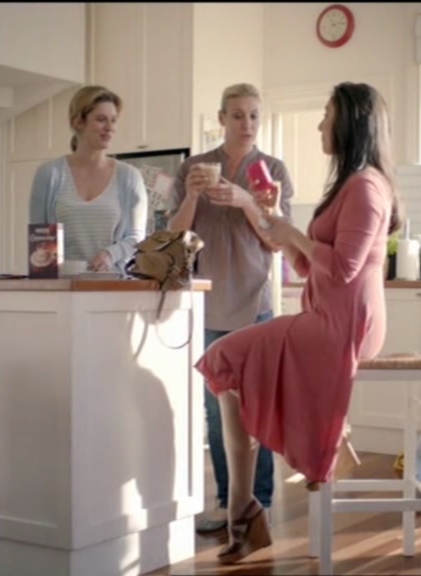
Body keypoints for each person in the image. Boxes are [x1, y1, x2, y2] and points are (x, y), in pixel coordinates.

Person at [194, 81, 402, 565]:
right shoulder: (351, 184)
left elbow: (344, 268)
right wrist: (275, 224)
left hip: (344, 324)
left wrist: (290, 231)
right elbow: (310, 267)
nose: (320, 124)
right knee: (229, 369)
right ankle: (247, 503)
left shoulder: (366, 187)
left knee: (224, 357)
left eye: (327, 115)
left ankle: (253, 502)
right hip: (327, 315)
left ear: (349, 123)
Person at [167, 83, 295, 534]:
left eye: (254, 115)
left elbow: (277, 240)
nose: (247, 124)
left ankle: (259, 502)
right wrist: (192, 197)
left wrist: (244, 201)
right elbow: (175, 239)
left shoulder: (272, 170)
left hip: (256, 304)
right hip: (208, 305)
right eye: (238, 115)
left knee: (258, 409)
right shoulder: (194, 168)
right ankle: (227, 501)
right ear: (221, 119)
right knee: (217, 414)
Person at [29, 85, 147, 272]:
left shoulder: (129, 177)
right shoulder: (49, 174)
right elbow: (40, 240)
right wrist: (46, 281)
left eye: (113, 120)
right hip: (63, 284)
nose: (110, 128)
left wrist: (110, 254)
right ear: (78, 121)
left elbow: (136, 238)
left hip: (113, 283)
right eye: (101, 120)